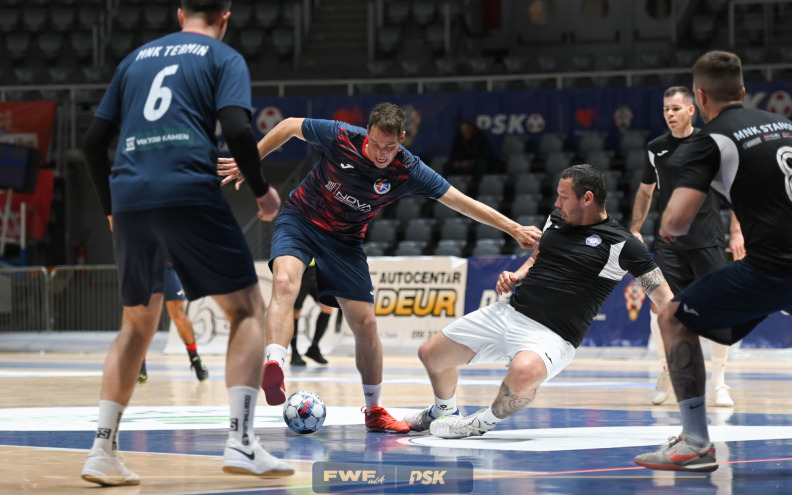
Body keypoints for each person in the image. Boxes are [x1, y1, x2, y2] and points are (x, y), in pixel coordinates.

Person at [218, 102, 542, 434]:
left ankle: (374, 410)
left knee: (367, 325)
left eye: (389, 146)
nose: (381, 153)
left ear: (402, 139)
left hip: (344, 241)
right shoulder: (341, 136)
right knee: (285, 282)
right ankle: (274, 362)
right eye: (375, 144)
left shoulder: (408, 169)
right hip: (300, 219)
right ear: (367, 134)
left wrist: (513, 228)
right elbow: (288, 125)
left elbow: (459, 200)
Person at [79, 0, 291, 486]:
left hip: (130, 199)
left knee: (135, 325)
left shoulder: (133, 60)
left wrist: (111, 208)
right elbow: (236, 129)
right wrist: (262, 192)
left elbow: (92, 143)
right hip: (187, 190)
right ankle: (241, 441)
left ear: (180, 14)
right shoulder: (223, 57)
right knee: (247, 310)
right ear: (226, 17)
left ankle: (102, 451)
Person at [403, 164, 675, 438]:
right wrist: (517, 274)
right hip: (510, 312)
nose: (557, 203)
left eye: (563, 196)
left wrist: (677, 348)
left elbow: (665, 299)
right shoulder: (557, 219)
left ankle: (479, 424)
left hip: (553, 336)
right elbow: (538, 255)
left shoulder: (624, 244)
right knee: (431, 353)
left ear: (587, 198)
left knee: (524, 373)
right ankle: (444, 411)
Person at [634, 51, 792, 472]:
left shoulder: (712, 139)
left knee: (672, 318)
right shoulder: (785, 126)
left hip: (772, 268)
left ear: (700, 97)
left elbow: (676, 221)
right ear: (743, 91)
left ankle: (696, 443)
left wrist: (669, 225)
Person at [629, 86, 744, 408]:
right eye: (666, 109)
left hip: (708, 240)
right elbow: (645, 191)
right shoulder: (656, 148)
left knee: (719, 311)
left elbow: (735, 189)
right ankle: (667, 372)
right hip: (669, 245)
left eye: (676, 108)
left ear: (692, 110)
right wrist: (634, 229)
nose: (670, 114)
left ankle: (719, 382)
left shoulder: (712, 144)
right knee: (661, 309)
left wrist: (736, 231)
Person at [138, 264, 209, 382]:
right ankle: (140, 366)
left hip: (166, 268)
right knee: (143, 318)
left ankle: (195, 357)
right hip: (143, 269)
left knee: (179, 316)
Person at [290, 259, 333, 366]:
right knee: (296, 312)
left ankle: (314, 347)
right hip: (299, 269)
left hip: (316, 271)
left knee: (327, 307)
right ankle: (294, 352)